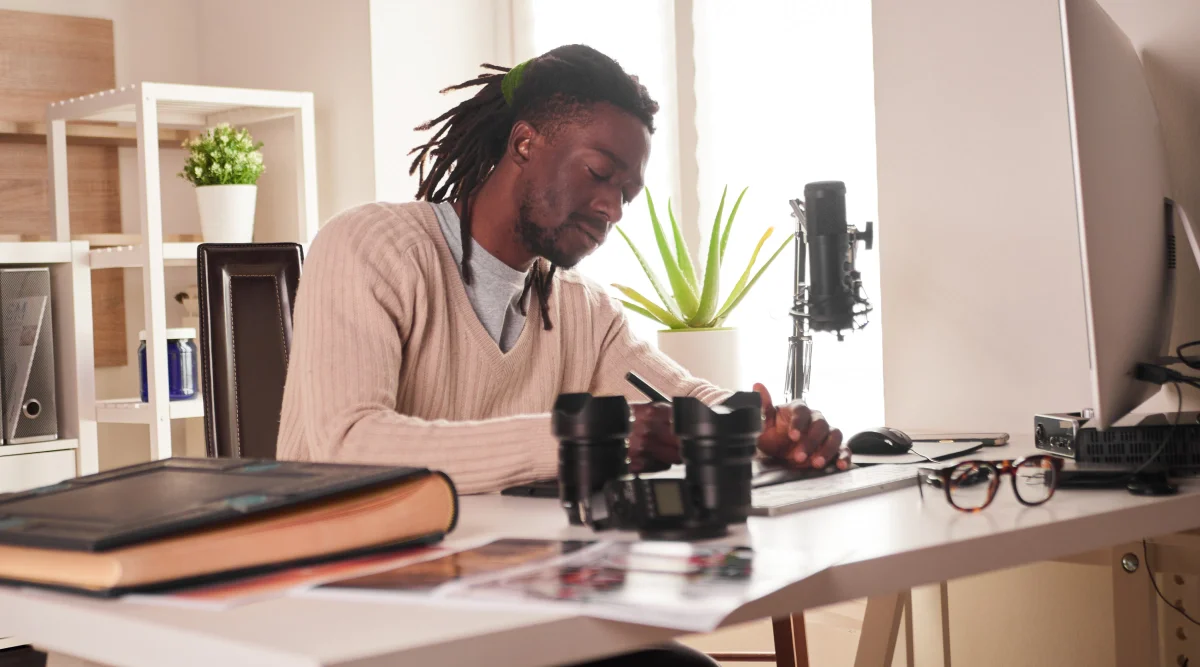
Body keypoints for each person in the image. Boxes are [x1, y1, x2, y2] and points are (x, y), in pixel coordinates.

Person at [276, 44, 847, 667]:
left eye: (628, 193)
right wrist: (575, 442)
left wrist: (758, 428)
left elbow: (677, 395)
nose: (613, 209)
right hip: (360, 621)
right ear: (525, 143)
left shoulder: (582, 308)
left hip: (506, 610)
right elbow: (345, 448)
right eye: (601, 174)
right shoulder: (371, 247)